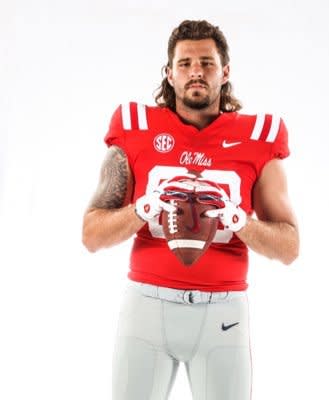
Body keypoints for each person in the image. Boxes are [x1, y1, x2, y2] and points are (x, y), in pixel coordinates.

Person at [82, 19, 299, 400]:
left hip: (223, 312)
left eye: (206, 63)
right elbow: (92, 235)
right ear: (169, 73)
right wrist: (142, 209)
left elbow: (289, 247)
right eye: (184, 63)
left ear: (225, 72)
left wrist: (237, 218)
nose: (196, 71)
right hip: (147, 306)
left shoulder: (257, 137)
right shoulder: (136, 127)